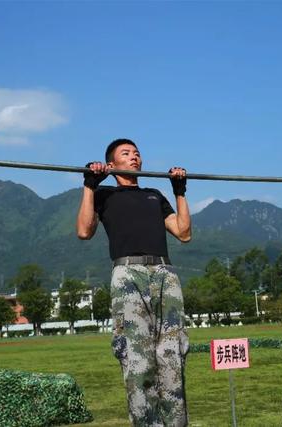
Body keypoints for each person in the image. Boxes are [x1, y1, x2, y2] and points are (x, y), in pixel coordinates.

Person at [76, 138, 191, 426]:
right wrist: (90, 185)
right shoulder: (104, 195)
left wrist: (180, 191)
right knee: (138, 360)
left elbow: (184, 232)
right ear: (112, 165)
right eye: (126, 153)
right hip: (128, 275)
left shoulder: (154, 194)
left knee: (172, 356)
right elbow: (84, 231)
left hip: (164, 274)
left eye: (137, 153)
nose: (135, 157)